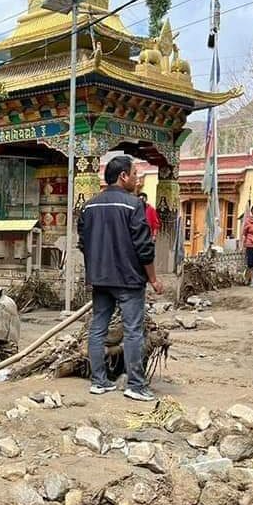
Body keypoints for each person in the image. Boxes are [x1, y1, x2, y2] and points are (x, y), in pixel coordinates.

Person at [78, 155, 164, 402]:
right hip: (128, 279)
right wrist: (153, 279)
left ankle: (99, 381)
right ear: (123, 176)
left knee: (98, 329)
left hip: (100, 279)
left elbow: (83, 243)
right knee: (133, 331)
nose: (137, 179)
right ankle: (135, 385)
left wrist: (97, 265)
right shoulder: (134, 205)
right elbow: (144, 247)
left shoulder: (89, 206)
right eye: (135, 174)